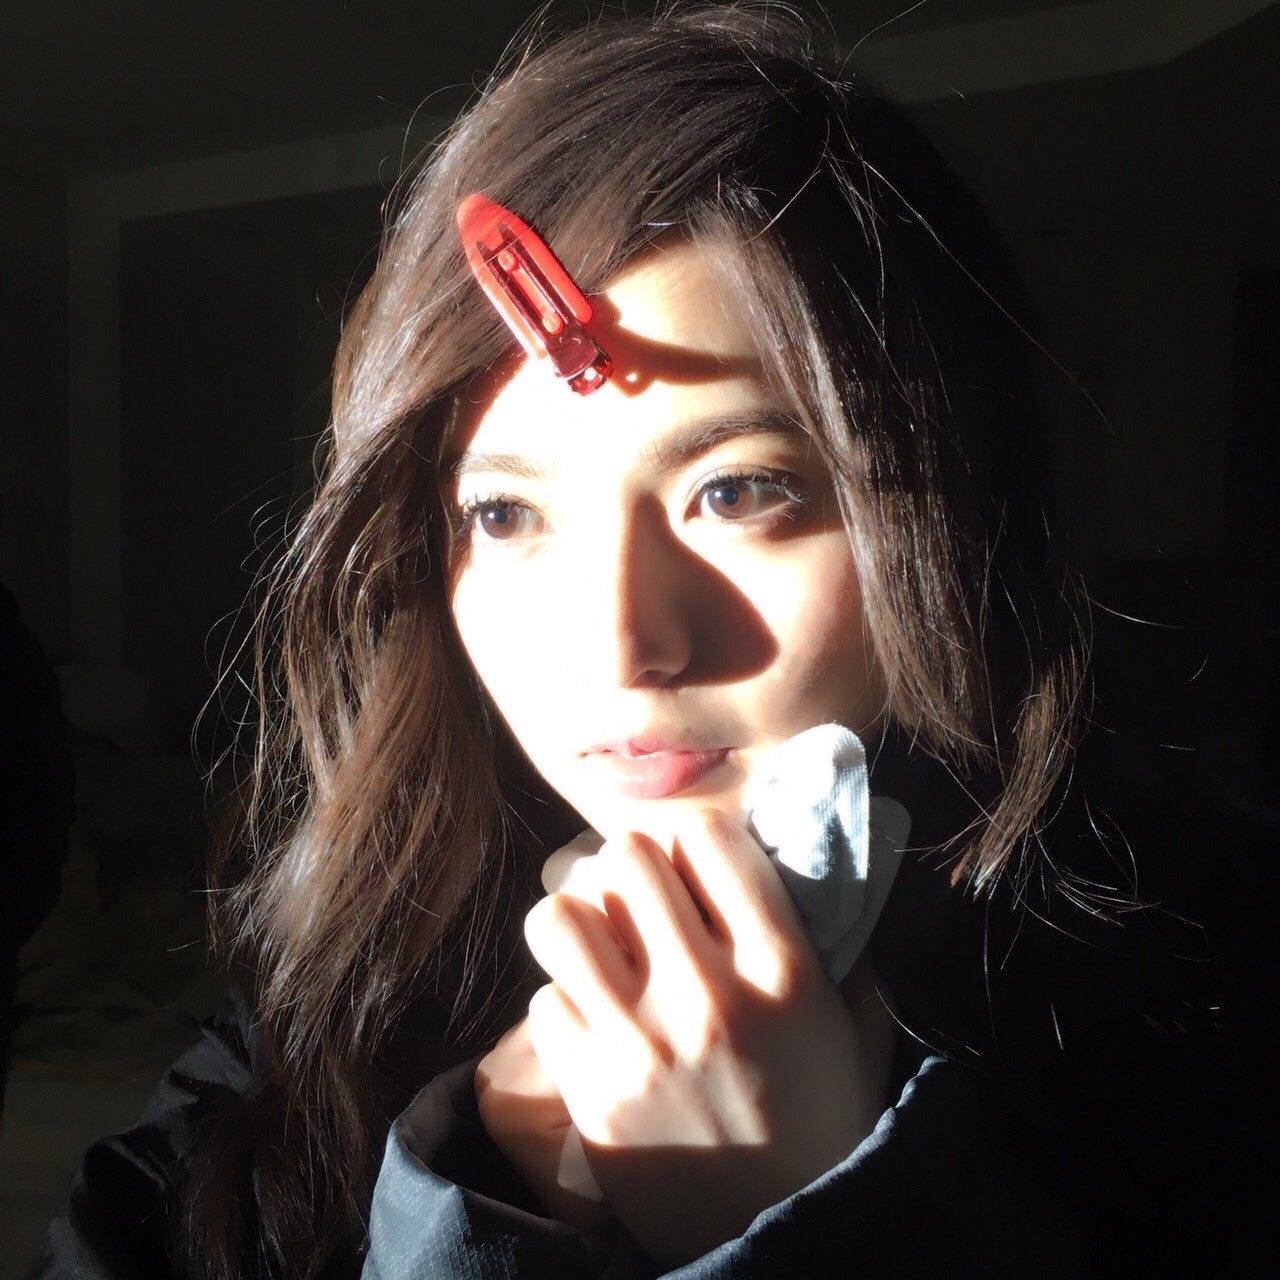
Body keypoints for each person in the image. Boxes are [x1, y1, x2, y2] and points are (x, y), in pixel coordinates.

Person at [30, 6, 1239, 1278]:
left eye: (739, 489)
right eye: (503, 513)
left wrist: (818, 1226)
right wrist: (488, 1184)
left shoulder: (1201, 1013)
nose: (615, 645)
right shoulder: (343, 989)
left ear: (952, 510)